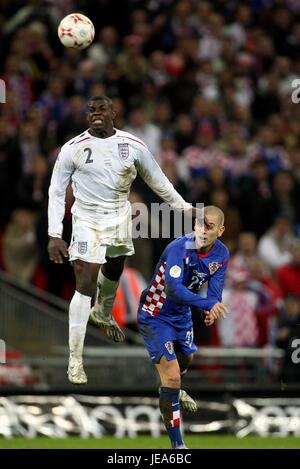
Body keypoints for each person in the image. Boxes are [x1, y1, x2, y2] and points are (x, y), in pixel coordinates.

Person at [47, 95, 195, 385]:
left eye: (102, 109)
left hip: (118, 217)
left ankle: (103, 310)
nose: (96, 113)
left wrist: (186, 210)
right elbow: (55, 190)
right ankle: (75, 359)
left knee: (115, 266)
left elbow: (159, 182)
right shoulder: (72, 149)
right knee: (85, 279)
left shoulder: (133, 146)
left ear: (113, 112)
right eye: (90, 110)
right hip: (87, 219)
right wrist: (55, 233)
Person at [137, 205, 229, 449]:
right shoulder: (179, 247)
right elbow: (173, 289)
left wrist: (210, 309)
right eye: (199, 224)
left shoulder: (221, 254)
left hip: (182, 315)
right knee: (173, 377)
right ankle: (178, 446)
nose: (202, 229)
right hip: (156, 314)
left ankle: (173, 391)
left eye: (209, 226)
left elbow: (214, 291)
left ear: (220, 231)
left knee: (187, 356)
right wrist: (206, 303)